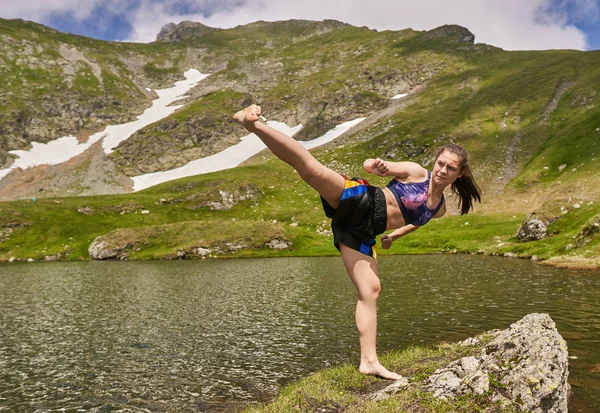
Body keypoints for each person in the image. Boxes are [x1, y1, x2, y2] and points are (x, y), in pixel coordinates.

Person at [233, 104, 481, 380]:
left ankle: (369, 362)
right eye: (441, 163)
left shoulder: (440, 208)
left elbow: (415, 221)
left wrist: (395, 235)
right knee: (311, 170)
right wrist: (378, 167)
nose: (443, 170)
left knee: (371, 290)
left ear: (459, 175)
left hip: (363, 232)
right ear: (435, 161)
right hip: (362, 200)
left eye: (451, 168)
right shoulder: (416, 173)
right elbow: (369, 167)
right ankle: (252, 124)